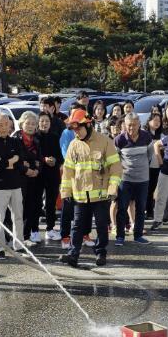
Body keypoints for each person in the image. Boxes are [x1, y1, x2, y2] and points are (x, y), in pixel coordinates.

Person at [59, 109, 122, 267]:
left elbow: (115, 167)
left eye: (78, 128)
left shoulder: (104, 141)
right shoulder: (74, 145)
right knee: (77, 226)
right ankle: (73, 254)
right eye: (74, 130)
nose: (76, 132)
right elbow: (68, 170)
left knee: (101, 225)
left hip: (100, 195)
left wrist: (112, 187)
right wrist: (66, 192)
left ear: (88, 125)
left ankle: (100, 253)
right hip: (80, 194)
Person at [0, 113, 28, 259]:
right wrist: (11, 161)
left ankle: (19, 245)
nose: (4, 127)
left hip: (15, 184)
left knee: (18, 217)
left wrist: (10, 162)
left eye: (6, 124)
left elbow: (21, 161)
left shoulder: (15, 141)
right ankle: (0, 248)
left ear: (10, 125)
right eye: (0, 124)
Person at [58, 104, 95, 250]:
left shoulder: (91, 134)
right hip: (72, 177)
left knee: (87, 210)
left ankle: (85, 234)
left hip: (87, 180)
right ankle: (65, 236)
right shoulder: (67, 133)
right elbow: (65, 154)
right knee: (67, 209)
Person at [114, 112, 153, 246]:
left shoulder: (146, 137)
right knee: (122, 208)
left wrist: (141, 167)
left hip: (143, 179)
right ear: (125, 125)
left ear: (139, 125)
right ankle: (120, 236)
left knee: (141, 209)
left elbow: (150, 155)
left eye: (134, 125)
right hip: (125, 179)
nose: (131, 128)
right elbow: (116, 160)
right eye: (129, 125)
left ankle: (138, 235)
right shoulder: (119, 140)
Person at [11, 111, 42, 246]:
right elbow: (15, 160)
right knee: (19, 209)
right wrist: (26, 168)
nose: (30, 126)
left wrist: (36, 170)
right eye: (28, 123)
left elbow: (39, 159)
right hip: (18, 179)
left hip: (33, 178)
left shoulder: (36, 140)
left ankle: (26, 236)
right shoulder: (15, 139)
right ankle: (16, 238)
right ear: (21, 124)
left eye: (33, 124)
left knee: (31, 207)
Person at [38, 112, 63, 241]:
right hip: (38, 174)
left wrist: (55, 160)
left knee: (51, 203)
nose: (44, 123)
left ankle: (50, 229)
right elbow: (33, 155)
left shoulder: (55, 136)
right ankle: (33, 230)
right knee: (35, 202)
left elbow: (60, 156)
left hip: (53, 174)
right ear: (38, 122)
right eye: (42, 121)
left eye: (47, 121)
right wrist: (44, 159)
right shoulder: (35, 137)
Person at [144, 112, 163, 219]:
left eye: (159, 121)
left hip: (156, 165)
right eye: (155, 120)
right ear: (149, 121)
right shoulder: (144, 134)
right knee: (146, 189)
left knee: (153, 189)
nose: (157, 123)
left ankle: (150, 211)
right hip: (146, 166)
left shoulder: (161, 135)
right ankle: (146, 211)